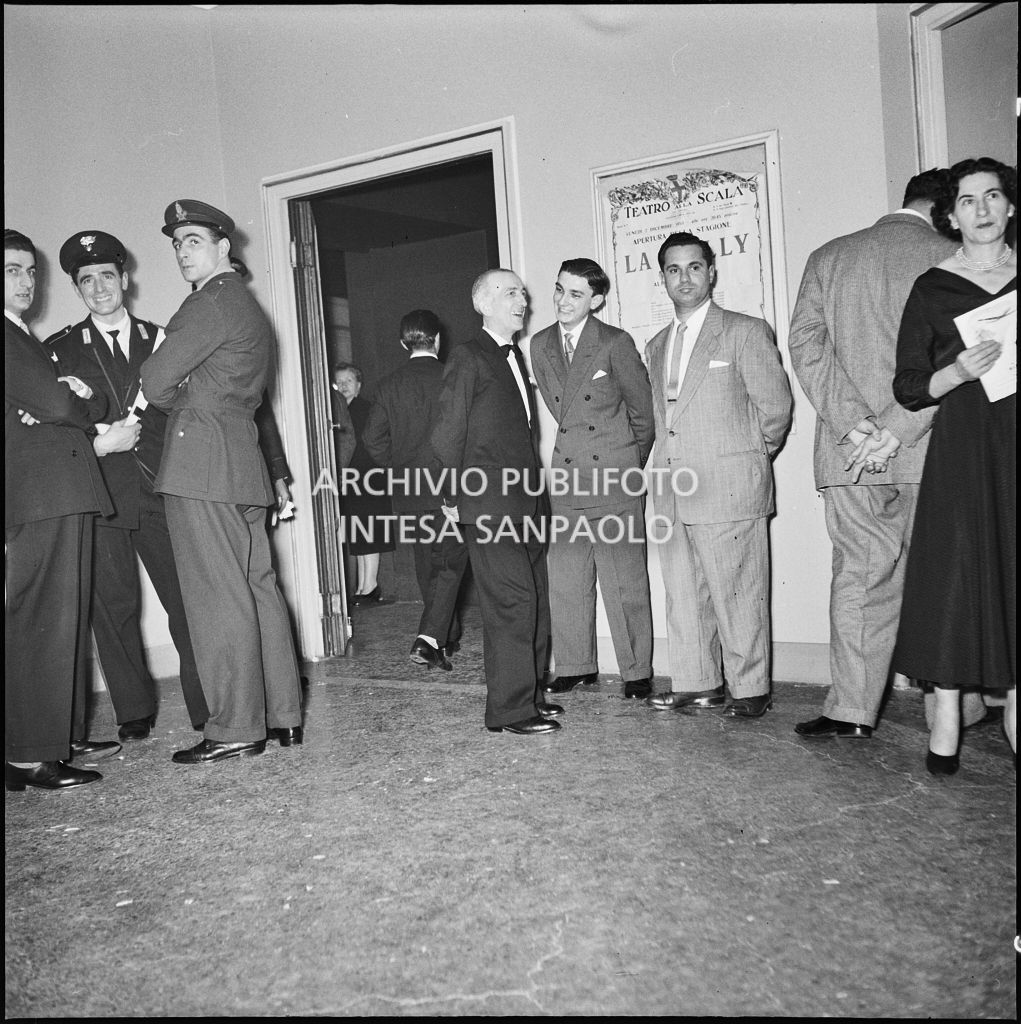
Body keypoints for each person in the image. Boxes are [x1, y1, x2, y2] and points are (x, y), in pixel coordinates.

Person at [787, 171, 958, 741]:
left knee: (859, 578)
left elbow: (805, 345)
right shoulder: (957, 256)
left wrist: (857, 426)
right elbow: (965, 359)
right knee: (945, 581)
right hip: (934, 448)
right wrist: (898, 425)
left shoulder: (830, 256)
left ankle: (851, 712)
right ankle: (955, 718)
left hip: (850, 456)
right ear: (943, 208)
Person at [140, 199, 303, 764]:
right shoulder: (249, 306)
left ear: (222, 247)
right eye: (178, 243)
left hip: (201, 467)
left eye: (193, 241)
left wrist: (193, 408)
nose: (184, 252)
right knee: (258, 589)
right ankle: (282, 716)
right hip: (243, 466)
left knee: (218, 599)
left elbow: (155, 379)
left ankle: (234, 727)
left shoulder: (206, 303)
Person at [47, 231, 210, 739]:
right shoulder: (59, 351)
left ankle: (208, 707)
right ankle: (134, 712)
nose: (99, 288)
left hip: (161, 489)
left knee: (186, 600)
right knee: (112, 606)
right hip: (102, 494)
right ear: (78, 288)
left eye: (107, 277)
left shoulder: (163, 340)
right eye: (87, 280)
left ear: (126, 279)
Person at [891, 158, 1016, 774]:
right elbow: (909, 384)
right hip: (965, 445)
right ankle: (945, 714)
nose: (983, 209)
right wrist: (958, 372)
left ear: (1010, 206)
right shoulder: (932, 287)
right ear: (951, 214)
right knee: (956, 577)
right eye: (968, 201)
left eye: (993, 196)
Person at [643, 232, 792, 718]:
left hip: (727, 486)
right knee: (683, 594)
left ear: (711, 272)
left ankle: (749, 689)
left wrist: (743, 460)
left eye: (693, 267)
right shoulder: (657, 344)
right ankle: (697, 683)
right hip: (672, 488)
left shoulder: (744, 331)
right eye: (672, 269)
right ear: (662, 278)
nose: (684, 277)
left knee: (738, 594)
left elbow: (775, 411)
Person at [5, 228, 118, 791]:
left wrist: (65, 396)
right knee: (41, 620)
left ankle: (57, 735)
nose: (25, 282)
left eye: (30, 271)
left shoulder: (24, 336)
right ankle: (31, 753)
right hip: (39, 492)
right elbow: (55, 402)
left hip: (58, 489)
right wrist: (61, 397)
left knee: (62, 617)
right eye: (11, 271)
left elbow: (83, 400)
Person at [430, 269, 561, 734]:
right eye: (510, 292)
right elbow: (447, 435)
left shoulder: (514, 358)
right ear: (483, 304)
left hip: (527, 503)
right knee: (513, 602)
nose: (521, 298)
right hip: (489, 504)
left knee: (537, 602)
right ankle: (510, 710)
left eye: (523, 292)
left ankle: (533, 695)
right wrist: (451, 496)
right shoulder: (469, 357)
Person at [530, 258, 655, 699]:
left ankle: (636, 670)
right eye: (560, 289)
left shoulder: (615, 342)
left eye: (576, 294)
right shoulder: (540, 344)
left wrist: (626, 467)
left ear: (596, 300)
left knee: (624, 578)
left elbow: (644, 416)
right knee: (565, 577)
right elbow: (558, 409)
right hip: (566, 477)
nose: (563, 301)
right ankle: (575, 665)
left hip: (614, 475)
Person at [361, 309, 469, 669]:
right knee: (451, 564)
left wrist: (398, 468)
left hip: (409, 490)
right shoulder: (452, 379)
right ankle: (428, 640)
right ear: (438, 339)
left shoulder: (389, 385)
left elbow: (372, 439)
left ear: (403, 342)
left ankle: (445, 637)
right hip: (448, 486)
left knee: (429, 565)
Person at [334, 362, 394, 605]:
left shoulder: (366, 409)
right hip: (352, 480)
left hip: (369, 479)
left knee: (369, 532)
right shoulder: (337, 412)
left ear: (359, 385)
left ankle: (370, 586)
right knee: (358, 534)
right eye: (340, 382)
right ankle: (362, 587)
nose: (344, 386)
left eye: (349, 381)